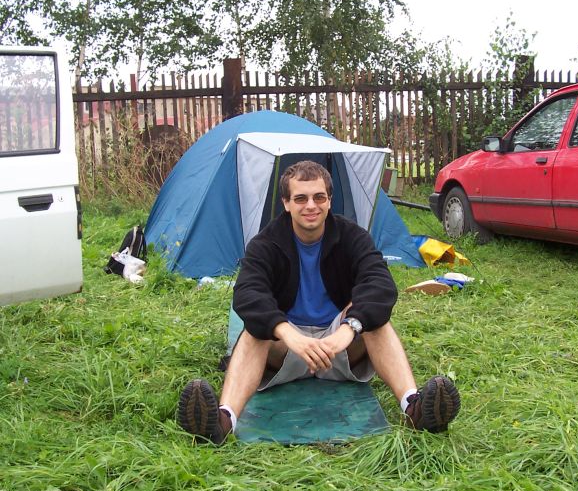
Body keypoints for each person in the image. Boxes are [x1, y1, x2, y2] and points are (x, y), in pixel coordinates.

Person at [178, 160, 460, 444]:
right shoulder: (265, 244)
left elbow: (379, 284)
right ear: (286, 203)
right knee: (255, 331)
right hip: (287, 351)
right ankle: (222, 422)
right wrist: (288, 333)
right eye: (300, 198)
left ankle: (414, 409)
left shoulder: (353, 237)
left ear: (329, 201)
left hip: (339, 348)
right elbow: (248, 293)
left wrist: (348, 329)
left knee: (375, 320)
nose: (311, 206)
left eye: (319, 197)